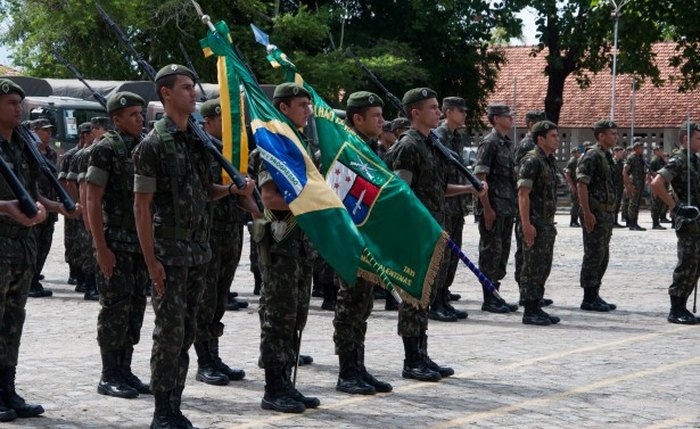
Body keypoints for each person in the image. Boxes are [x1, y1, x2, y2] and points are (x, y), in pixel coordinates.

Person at [132, 64, 256, 428]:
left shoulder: (199, 141)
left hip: (199, 253)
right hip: (169, 256)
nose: (194, 93)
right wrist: (150, 260)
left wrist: (233, 190)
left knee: (186, 332)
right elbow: (142, 206)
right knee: (168, 336)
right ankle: (162, 411)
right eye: (186, 87)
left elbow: (206, 190)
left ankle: (175, 404)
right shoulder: (153, 145)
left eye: (194, 87)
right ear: (166, 93)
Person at [385, 87, 484, 382]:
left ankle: (422, 353)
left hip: (432, 230)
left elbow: (437, 188)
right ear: (415, 113)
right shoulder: (408, 146)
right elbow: (401, 193)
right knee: (413, 295)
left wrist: (468, 188)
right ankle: (411, 359)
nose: (438, 112)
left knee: (424, 295)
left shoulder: (432, 144)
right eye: (432, 108)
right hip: (415, 232)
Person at [0, 78, 78, 421]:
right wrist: (6, 207)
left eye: (20, 102)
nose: (20, 108)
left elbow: (31, 195)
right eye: (11, 103)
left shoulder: (22, 143)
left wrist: (59, 206)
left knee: (13, 321)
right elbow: (12, 202)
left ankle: (7, 389)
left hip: (21, 246)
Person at [252, 82, 319, 413]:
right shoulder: (272, 147)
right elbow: (271, 198)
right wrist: (313, 204)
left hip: (300, 246)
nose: (307, 110)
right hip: (280, 245)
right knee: (277, 317)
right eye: (301, 105)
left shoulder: (300, 146)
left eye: (308, 104)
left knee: (296, 315)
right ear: (283, 108)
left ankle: (287, 384)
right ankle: (273, 387)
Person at [85, 92, 151, 400]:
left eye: (141, 114)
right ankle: (108, 374)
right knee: (114, 310)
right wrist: (101, 248)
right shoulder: (105, 149)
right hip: (115, 243)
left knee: (134, 308)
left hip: (138, 245)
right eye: (134, 114)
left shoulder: (141, 147)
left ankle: (124, 369)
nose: (141, 119)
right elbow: (91, 200)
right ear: (116, 119)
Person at [333, 91, 393, 395]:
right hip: (350, 240)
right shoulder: (345, 149)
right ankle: (347, 371)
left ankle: (358, 366)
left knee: (363, 305)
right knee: (349, 304)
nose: (382, 121)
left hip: (369, 240)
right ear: (357, 119)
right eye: (376, 116)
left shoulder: (373, 149)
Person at [192, 98, 247, 386]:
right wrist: (231, 189)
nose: (229, 127)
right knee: (206, 299)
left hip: (232, 231)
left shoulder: (233, 152)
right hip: (209, 232)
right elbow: (203, 189)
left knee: (220, 299)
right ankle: (204, 360)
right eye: (223, 120)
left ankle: (214, 355)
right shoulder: (202, 150)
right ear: (209, 121)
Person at [650, 122, 700, 324]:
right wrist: (675, 207)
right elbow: (657, 184)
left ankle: (683, 306)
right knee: (687, 263)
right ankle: (676, 308)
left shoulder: (694, 161)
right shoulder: (679, 160)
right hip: (687, 222)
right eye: (698, 138)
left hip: (697, 220)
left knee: (695, 265)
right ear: (685, 139)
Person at [474, 104, 519, 313]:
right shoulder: (489, 142)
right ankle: (488, 298)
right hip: (493, 207)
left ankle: (496, 294)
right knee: (490, 253)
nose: (511, 119)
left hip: (507, 207)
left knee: (501, 254)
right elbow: (480, 176)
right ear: (496, 119)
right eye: (507, 116)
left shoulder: (507, 143)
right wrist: (487, 208)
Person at [517, 121, 561, 326]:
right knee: (532, 267)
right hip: (534, 222)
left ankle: (537, 304)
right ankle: (530, 309)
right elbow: (523, 194)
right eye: (553, 136)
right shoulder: (532, 160)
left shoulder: (547, 160)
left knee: (543, 266)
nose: (557, 139)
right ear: (540, 139)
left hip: (546, 223)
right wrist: (526, 224)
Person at [431, 96, 470, 321]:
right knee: (442, 257)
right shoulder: (439, 137)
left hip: (456, 207)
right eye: (460, 111)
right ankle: (435, 302)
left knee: (452, 257)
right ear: (448, 112)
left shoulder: (456, 137)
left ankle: (444, 298)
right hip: (443, 205)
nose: (464, 115)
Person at [576, 120, 619, 312]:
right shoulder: (592, 155)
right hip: (595, 212)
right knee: (593, 254)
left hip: (606, 213)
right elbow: (582, 184)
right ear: (601, 135)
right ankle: (588, 297)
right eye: (612, 133)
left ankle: (595, 292)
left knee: (602, 255)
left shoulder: (606, 155)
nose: (615, 136)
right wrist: (587, 213)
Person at [28, 118, 57, 298]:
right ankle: (29, 280)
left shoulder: (52, 154)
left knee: (45, 245)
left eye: (49, 130)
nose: (48, 133)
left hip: (50, 208)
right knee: (33, 245)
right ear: (35, 132)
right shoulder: (29, 152)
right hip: (35, 205)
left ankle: (35, 277)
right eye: (44, 130)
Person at [59, 123, 90, 289]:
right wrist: (74, 203)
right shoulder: (72, 155)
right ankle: (75, 272)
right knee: (73, 240)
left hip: (85, 204)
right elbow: (65, 181)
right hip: (74, 203)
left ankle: (83, 275)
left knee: (82, 242)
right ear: (83, 135)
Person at [623, 139, 647, 231]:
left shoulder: (641, 157)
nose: (642, 149)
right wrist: (628, 185)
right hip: (634, 184)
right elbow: (625, 172)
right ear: (636, 148)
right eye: (641, 148)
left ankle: (635, 222)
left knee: (636, 204)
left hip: (640, 184)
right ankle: (631, 223)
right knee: (633, 204)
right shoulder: (631, 158)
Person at [648, 144, 669, 229]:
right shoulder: (654, 161)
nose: (661, 151)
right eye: (659, 150)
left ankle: (659, 221)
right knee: (656, 204)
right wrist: (653, 187)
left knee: (660, 203)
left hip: (663, 185)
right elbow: (650, 173)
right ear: (655, 151)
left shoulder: (661, 160)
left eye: (661, 149)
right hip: (657, 185)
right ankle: (655, 223)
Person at [564, 147, 581, 227]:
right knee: (575, 204)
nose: (579, 153)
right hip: (574, 185)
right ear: (574, 153)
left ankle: (575, 220)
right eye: (578, 152)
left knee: (577, 204)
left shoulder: (576, 161)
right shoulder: (572, 161)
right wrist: (571, 185)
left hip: (576, 185)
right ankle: (573, 221)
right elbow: (567, 174)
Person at [611, 146, 626, 228]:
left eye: (622, 152)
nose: (622, 154)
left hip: (619, 186)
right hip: (613, 186)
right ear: (615, 153)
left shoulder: (621, 163)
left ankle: (615, 221)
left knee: (617, 204)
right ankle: (612, 222)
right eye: (620, 152)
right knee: (613, 204)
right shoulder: (612, 162)